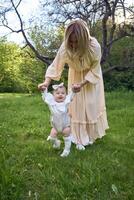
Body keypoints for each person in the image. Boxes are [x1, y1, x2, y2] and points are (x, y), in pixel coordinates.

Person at [38, 19, 109, 150]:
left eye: (77, 41)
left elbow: (95, 69)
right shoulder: (65, 48)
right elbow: (56, 66)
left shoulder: (94, 47)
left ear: (84, 39)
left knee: (90, 104)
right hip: (75, 75)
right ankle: (76, 135)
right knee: (76, 105)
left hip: (91, 78)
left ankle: (89, 135)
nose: (74, 44)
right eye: (71, 41)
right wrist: (46, 82)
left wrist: (82, 84)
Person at [41, 82, 75, 157]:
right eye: (58, 93)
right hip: (55, 126)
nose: (60, 94)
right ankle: (57, 143)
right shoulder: (51, 102)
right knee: (52, 137)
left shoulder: (66, 102)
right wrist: (43, 90)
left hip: (65, 125)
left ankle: (66, 150)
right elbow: (45, 97)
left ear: (65, 95)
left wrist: (73, 90)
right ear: (53, 95)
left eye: (63, 93)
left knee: (66, 134)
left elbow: (71, 96)